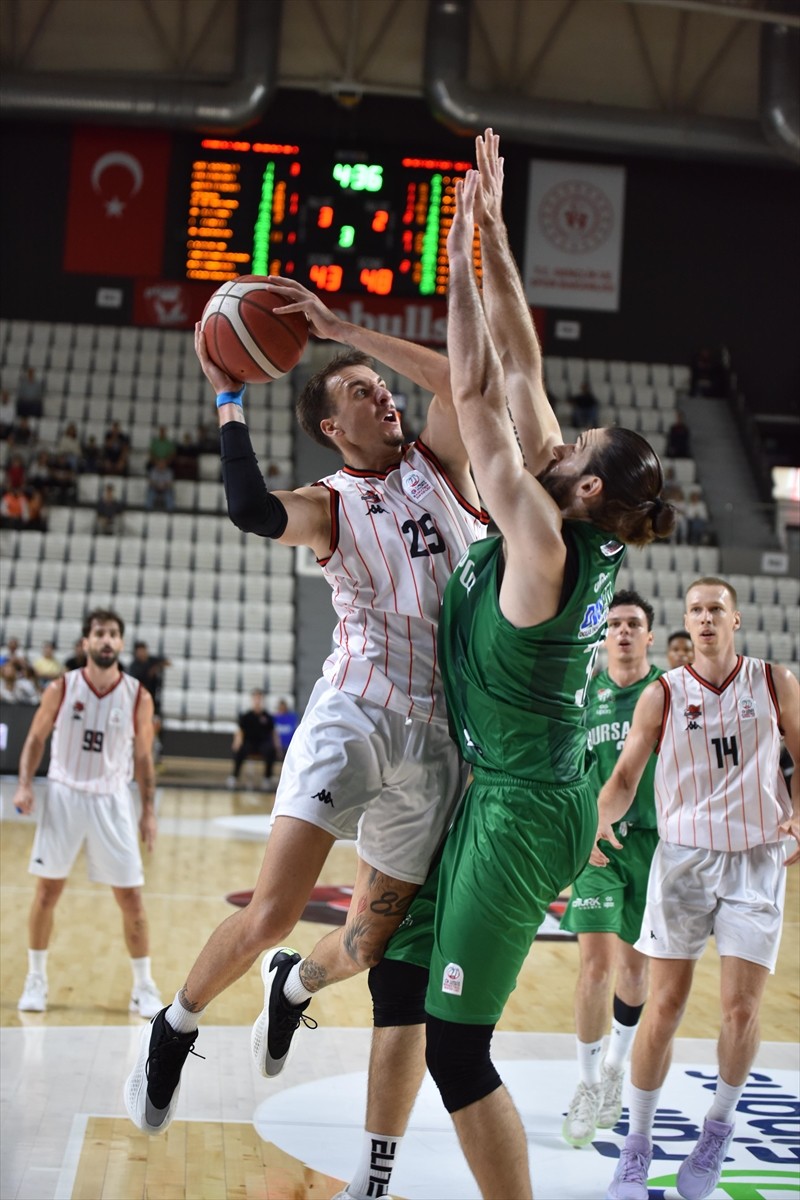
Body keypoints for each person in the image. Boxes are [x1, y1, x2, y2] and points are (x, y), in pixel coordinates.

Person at [330, 131, 675, 1200]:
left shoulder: (537, 538)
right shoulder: (571, 509)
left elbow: (477, 391)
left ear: (575, 492)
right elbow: (518, 366)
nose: (562, 435)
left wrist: (450, 259)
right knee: (397, 973)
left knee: (456, 1048)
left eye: (577, 445)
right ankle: (375, 1175)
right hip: (504, 782)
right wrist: (489, 233)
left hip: (525, 804)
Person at [125, 227, 491, 1137]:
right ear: (333, 427)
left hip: (441, 736)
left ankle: (298, 984)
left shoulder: (442, 468)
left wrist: (343, 331)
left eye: (381, 387)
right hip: (357, 716)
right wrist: (228, 399)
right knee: (271, 911)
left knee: (367, 939)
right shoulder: (330, 503)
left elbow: (457, 381)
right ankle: (175, 1024)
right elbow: (251, 510)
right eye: (363, 394)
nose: (384, 395)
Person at [600, 576, 798, 1200]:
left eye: (716, 610)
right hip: (682, 859)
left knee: (741, 1010)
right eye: (695, 611)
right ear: (685, 622)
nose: (705, 619)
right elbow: (626, 774)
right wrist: (599, 819)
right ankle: (636, 1147)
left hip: (756, 859)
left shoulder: (775, 682)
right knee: (664, 1007)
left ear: (736, 620)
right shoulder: (662, 695)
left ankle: (717, 1129)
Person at [13, 609, 163, 1018]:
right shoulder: (61, 688)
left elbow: (144, 758)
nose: (107, 640)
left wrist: (148, 811)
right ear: (85, 642)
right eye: (99, 633)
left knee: (131, 897)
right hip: (64, 794)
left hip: (112, 799)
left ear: (120, 643)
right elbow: (34, 740)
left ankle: (143, 986)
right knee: (47, 891)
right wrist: (25, 784)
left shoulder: (138, 696)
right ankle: (36, 979)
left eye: (114, 634)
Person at [560, 590, 661, 1148]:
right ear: (604, 636)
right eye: (615, 624)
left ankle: (617, 1068)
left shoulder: (669, 692)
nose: (623, 632)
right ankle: (586, 1083)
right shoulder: (582, 695)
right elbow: (570, 771)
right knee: (595, 967)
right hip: (598, 847)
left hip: (655, 846)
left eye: (633, 625)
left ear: (649, 636)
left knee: (635, 971)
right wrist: (581, 830)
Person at [227, 689, 279, 790]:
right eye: (255, 698)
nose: (257, 700)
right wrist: (237, 742)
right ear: (252, 699)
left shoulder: (267, 716)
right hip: (249, 742)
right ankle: (234, 776)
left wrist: (277, 745)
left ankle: (267, 778)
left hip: (262, 743)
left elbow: (273, 732)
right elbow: (240, 731)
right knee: (239, 750)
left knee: (270, 750)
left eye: (259, 698)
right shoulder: (246, 716)